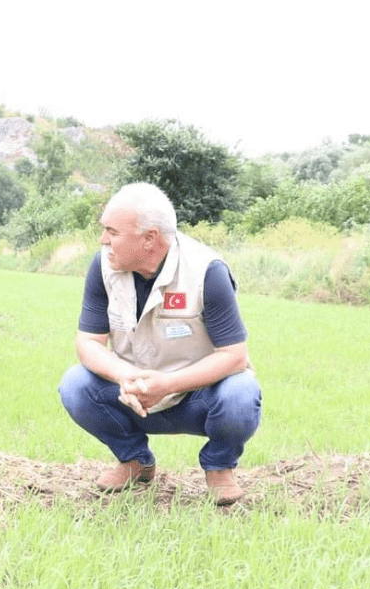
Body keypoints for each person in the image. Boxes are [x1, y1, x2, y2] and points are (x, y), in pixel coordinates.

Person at [58, 183, 261, 505]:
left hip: (198, 398)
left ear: (149, 238)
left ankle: (220, 467)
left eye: (113, 232)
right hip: (133, 395)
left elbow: (234, 356)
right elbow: (88, 342)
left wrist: (167, 384)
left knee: (241, 393)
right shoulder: (103, 267)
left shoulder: (207, 271)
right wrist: (126, 376)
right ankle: (135, 461)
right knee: (75, 384)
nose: (103, 240)